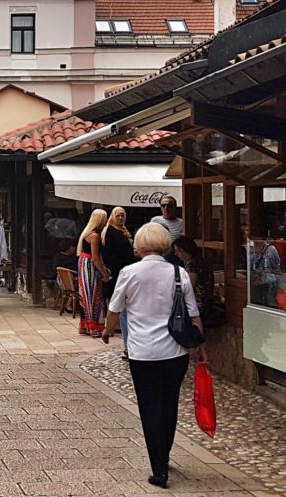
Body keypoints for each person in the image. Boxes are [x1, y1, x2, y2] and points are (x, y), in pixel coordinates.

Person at [102, 222, 205, 489]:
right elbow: (193, 314)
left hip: (143, 351)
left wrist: (106, 331)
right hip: (174, 351)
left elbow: (115, 308)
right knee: (169, 404)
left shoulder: (129, 273)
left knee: (149, 407)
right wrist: (201, 347)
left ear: (139, 244)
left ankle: (158, 468)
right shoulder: (178, 272)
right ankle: (165, 453)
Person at [102, 207, 137, 348]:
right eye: (118, 216)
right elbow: (113, 253)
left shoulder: (123, 230)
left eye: (123, 215)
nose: (121, 218)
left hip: (127, 270)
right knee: (119, 305)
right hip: (119, 272)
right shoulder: (111, 231)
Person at [76, 209, 110, 337]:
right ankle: (93, 326)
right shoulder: (94, 236)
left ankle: (85, 325)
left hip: (84, 262)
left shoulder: (87, 233)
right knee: (92, 294)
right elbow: (95, 257)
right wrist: (104, 272)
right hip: (89, 264)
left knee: (86, 294)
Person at [172, 237, 215, 322]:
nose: (176, 254)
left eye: (178, 251)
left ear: (186, 250)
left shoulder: (192, 264)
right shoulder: (199, 260)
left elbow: (189, 286)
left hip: (199, 304)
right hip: (205, 302)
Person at [247, 226, 281, 307]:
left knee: (270, 304)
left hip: (269, 283)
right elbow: (250, 267)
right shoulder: (250, 249)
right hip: (256, 284)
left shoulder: (271, 249)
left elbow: (276, 267)